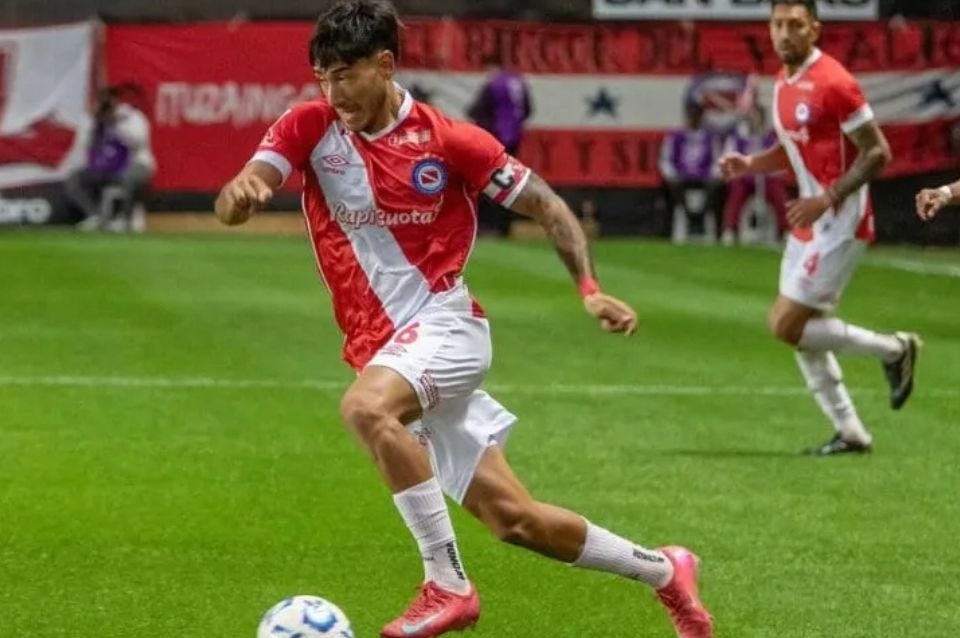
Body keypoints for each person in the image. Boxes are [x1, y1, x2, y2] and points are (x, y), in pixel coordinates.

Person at [214, 2, 713, 637]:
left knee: (366, 410)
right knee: (516, 520)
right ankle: (666, 570)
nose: (334, 93)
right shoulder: (309, 127)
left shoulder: (450, 140)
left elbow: (549, 206)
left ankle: (446, 584)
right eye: (323, 77)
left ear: (384, 65)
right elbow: (241, 193)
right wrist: (241, 195)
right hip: (386, 350)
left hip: (447, 328)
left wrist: (589, 288)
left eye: (346, 75)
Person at [718, 0, 921, 456]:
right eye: (778, 24)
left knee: (785, 325)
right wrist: (751, 163)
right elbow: (793, 148)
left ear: (814, 29)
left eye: (795, 25)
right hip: (810, 220)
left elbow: (878, 152)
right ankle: (851, 432)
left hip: (842, 221)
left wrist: (827, 198)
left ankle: (895, 349)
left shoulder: (834, 82)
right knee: (800, 331)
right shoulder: (782, 82)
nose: (784, 33)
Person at [66, 86, 155, 230]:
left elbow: (138, 141)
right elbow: (84, 144)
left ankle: (124, 218)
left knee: (130, 176)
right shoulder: (93, 119)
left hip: (132, 164)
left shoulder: (131, 116)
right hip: (104, 168)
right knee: (75, 179)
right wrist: (92, 121)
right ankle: (95, 216)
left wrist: (116, 123)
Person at [467, 66, 533, 237]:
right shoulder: (519, 82)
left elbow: (475, 110)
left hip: (493, 142)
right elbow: (528, 110)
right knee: (510, 182)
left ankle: (488, 225)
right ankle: (505, 225)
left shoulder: (493, 84)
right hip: (513, 140)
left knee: (488, 182)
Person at [720, 105, 788, 245]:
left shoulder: (771, 137)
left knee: (778, 193)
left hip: (767, 177)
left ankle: (785, 230)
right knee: (736, 193)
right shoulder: (737, 137)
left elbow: (780, 160)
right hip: (744, 178)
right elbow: (728, 158)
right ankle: (730, 230)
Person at [659, 102, 724, 243]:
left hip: (704, 177)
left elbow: (718, 161)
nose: (693, 118)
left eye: (696, 115)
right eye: (691, 115)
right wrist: (671, 176)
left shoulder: (711, 137)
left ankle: (702, 219)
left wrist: (714, 175)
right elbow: (665, 160)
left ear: (701, 116)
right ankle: (686, 216)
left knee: (716, 186)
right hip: (681, 177)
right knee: (671, 187)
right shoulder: (674, 136)